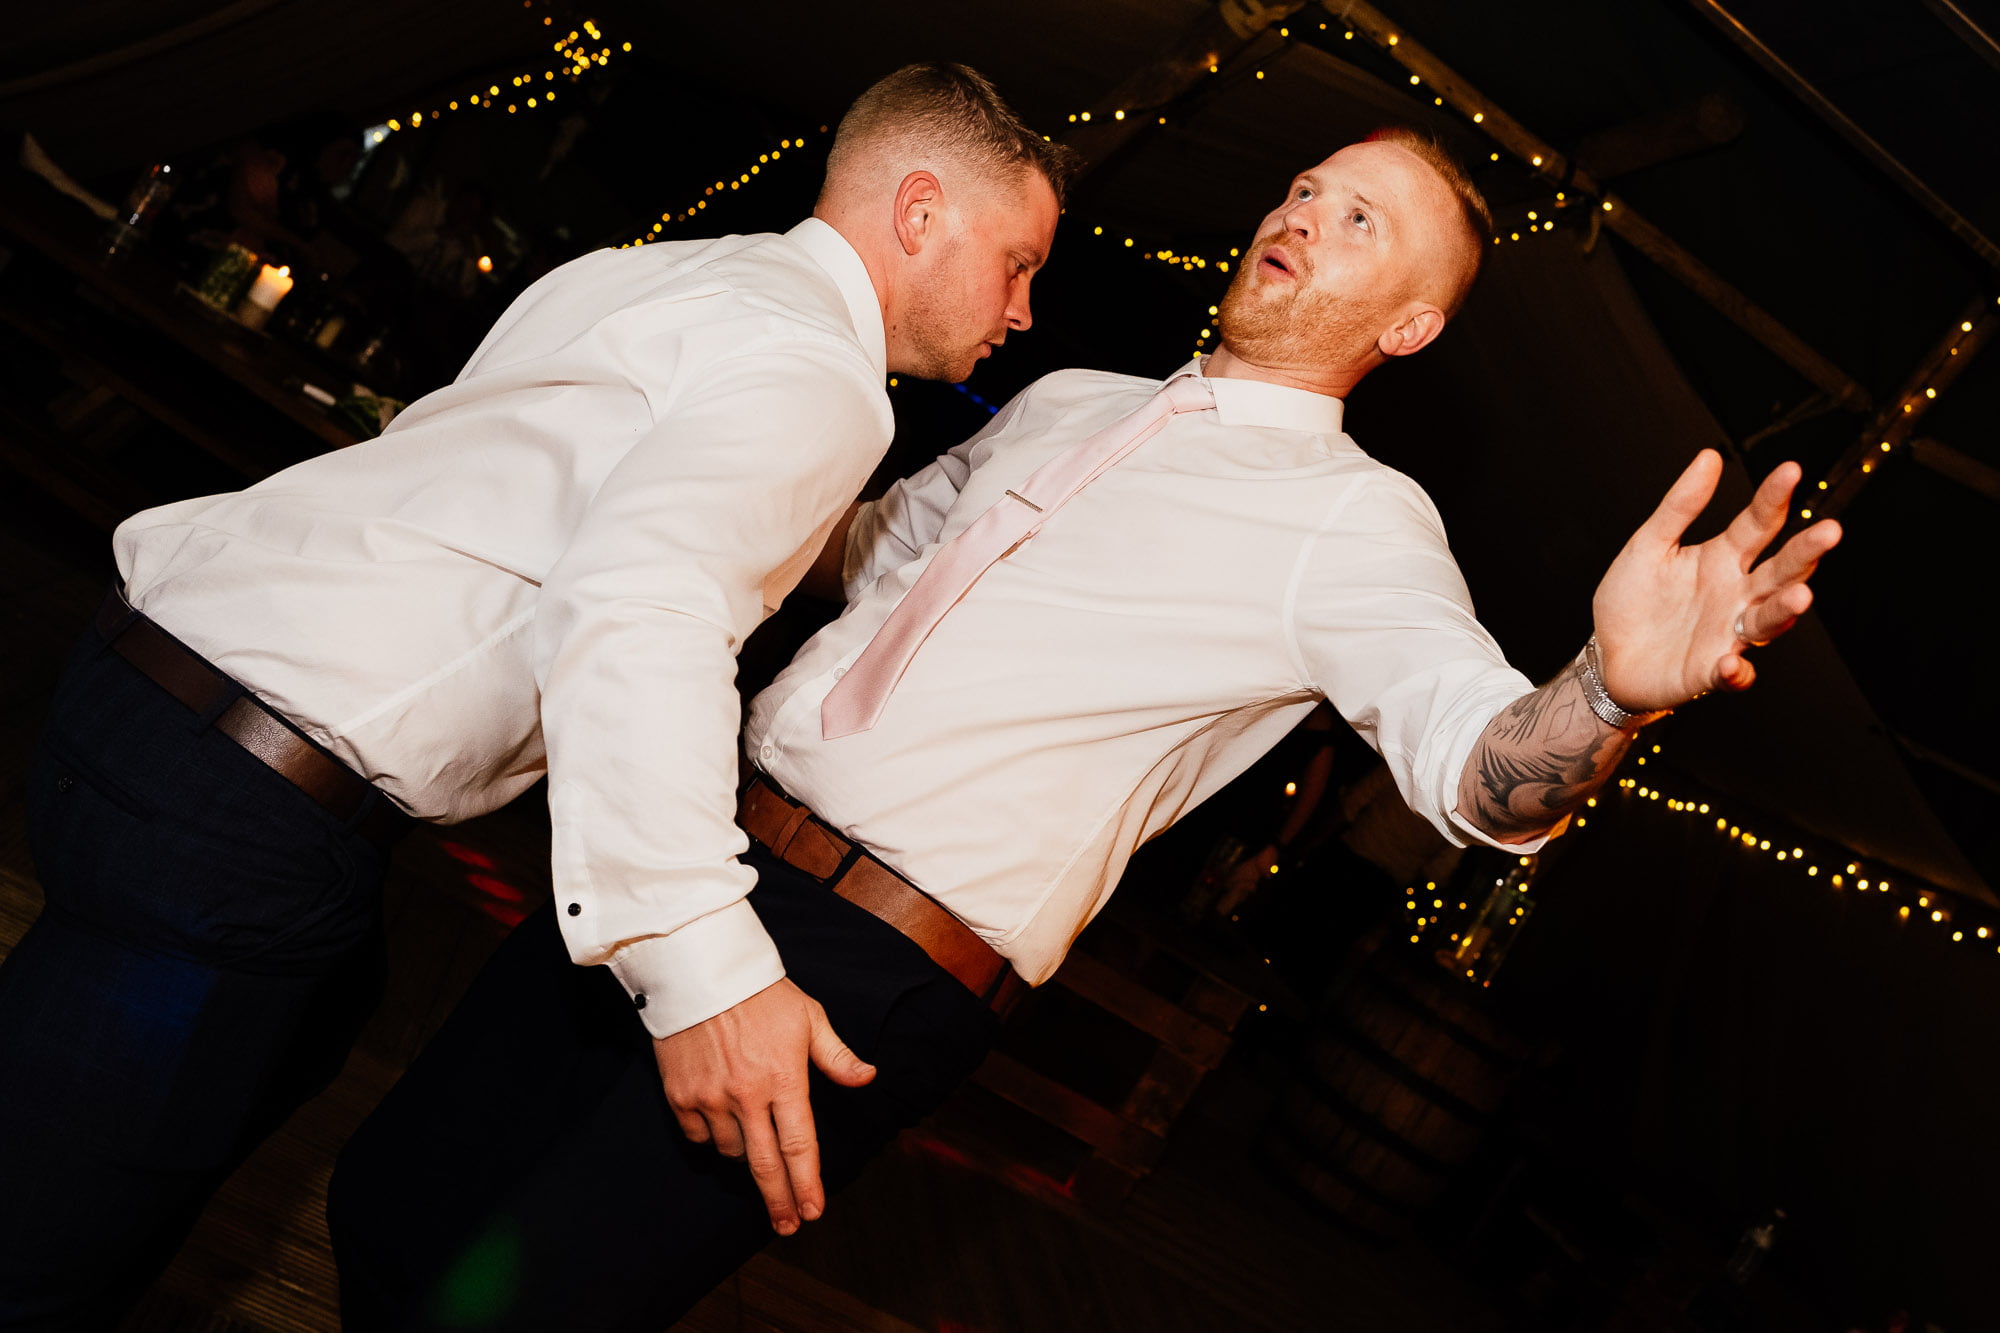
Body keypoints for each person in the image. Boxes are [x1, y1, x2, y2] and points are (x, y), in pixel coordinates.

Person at [328, 128, 1840, 1330]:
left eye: (1361, 219)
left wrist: (1607, 691)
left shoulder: (1358, 523)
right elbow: (852, 542)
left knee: (541, 1299)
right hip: (688, 848)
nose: (1304, 213)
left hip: (867, 965)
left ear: (1411, 322)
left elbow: (1478, 771)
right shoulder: (1063, 398)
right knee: (397, 1198)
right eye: (1307, 186)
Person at [0, 62, 1066, 1330]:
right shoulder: (819, 375)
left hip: (144, 699)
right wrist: (705, 965)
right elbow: (644, 609)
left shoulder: (658, 273)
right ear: (920, 211)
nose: (1023, 312)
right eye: (1017, 264)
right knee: (46, 1244)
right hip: (241, 803)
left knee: (277, 1040)